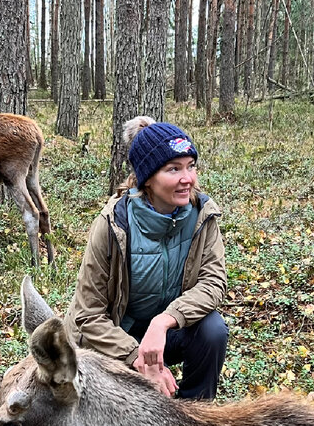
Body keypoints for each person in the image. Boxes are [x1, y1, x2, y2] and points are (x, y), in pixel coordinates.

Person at [65, 116, 228, 399]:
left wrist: (164, 321)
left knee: (212, 330)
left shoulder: (202, 215)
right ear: (147, 179)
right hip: (112, 339)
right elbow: (88, 315)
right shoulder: (113, 224)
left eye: (191, 166)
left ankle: (194, 416)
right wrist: (136, 357)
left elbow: (213, 282)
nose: (187, 178)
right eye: (173, 169)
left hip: (161, 334)